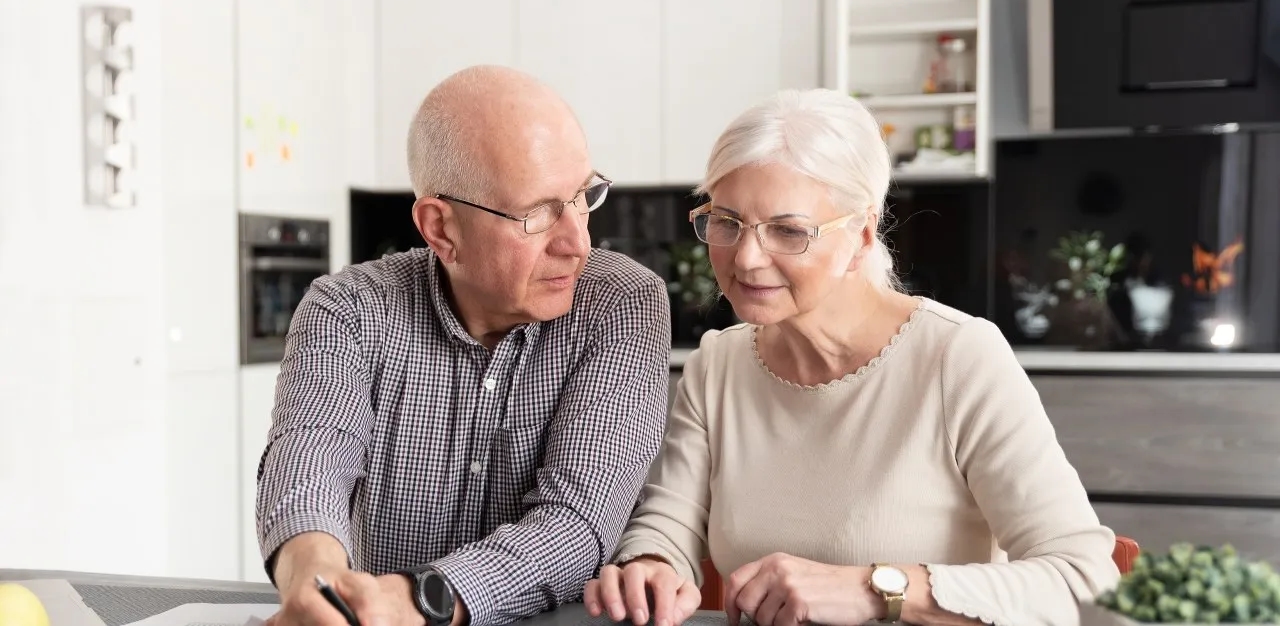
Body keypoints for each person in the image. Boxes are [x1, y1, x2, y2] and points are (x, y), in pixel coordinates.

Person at [584, 89, 1120, 626]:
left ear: (861, 235)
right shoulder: (716, 365)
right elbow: (670, 523)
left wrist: (876, 589)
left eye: (789, 231)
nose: (745, 258)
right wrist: (649, 562)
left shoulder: (958, 357)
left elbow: (1086, 583)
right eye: (726, 222)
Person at [256, 65, 672, 626]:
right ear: (441, 229)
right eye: (538, 214)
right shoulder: (347, 309)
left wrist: (416, 601)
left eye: (583, 196)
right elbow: (309, 459)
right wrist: (316, 580)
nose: (578, 241)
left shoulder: (622, 303)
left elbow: (577, 522)